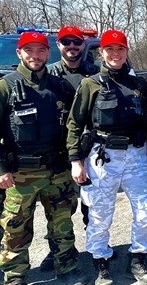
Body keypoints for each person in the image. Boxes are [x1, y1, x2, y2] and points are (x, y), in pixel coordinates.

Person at [66, 29, 147, 285]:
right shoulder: (90, 84)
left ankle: (138, 259)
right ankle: (101, 262)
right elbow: (75, 124)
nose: (115, 54)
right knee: (98, 213)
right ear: (101, 52)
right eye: (110, 49)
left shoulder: (139, 85)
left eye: (120, 49)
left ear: (126, 51)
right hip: (102, 157)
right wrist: (76, 161)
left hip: (136, 156)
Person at [0, 32, 87, 285]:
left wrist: (75, 158)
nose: (35, 56)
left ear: (48, 53)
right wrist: (2, 168)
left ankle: (67, 268)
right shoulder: (6, 86)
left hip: (57, 170)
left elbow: (75, 125)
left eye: (40, 51)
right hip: (20, 174)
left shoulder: (60, 87)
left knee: (62, 225)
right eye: (29, 51)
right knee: (15, 228)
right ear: (20, 53)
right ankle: (15, 276)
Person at [35, 26, 103, 273]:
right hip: (57, 151)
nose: (72, 47)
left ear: (83, 45)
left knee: (91, 204)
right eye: (66, 42)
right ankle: (58, 251)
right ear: (58, 45)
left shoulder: (95, 73)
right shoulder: (48, 74)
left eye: (77, 42)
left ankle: (97, 247)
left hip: (88, 150)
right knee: (58, 207)